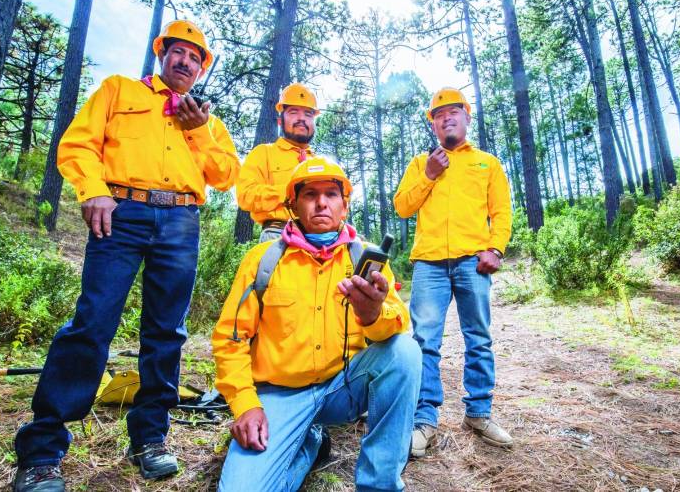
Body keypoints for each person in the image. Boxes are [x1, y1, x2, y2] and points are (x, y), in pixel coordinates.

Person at [13, 20, 239, 491]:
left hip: (180, 220)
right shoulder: (118, 90)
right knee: (92, 322)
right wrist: (93, 191)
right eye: (178, 52)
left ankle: (150, 439)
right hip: (121, 213)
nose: (185, 61)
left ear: (201, 69)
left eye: (195, 58)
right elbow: (78, 144)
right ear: (162, 54)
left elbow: (225, 176)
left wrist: (197, 132)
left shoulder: (207, 120)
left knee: (167, 332)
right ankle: (42, 451)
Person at [213, 158, 421, 491]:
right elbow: (230, 339)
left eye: (331, 194)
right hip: (278, 395)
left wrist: (372, 314)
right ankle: (309, 442)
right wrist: (245, 405)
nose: (321, 202)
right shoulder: (262, 261)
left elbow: (398, 327)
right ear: (292, 204)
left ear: (344, 205)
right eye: (310, 194)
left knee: (405, 352)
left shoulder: (366, 258)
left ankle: (379, 484)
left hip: (343, 387)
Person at [394, 87, 513, 458]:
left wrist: (496, 248)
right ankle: (424, 420)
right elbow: (402, 206)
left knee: (478, 337)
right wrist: (428, 174)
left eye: (453, 112)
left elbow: (502, 212)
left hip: (471, 262)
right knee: (425, 341)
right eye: (439, 114)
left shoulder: (486, 163)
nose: (446, 118)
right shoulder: (420, 163)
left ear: (466, 117)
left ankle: (478, 414)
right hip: (429, 263)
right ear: (433, 124)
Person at [236, 82, 321, 242]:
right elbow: (245, 195)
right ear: (280, 121)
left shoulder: (322, 164)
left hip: (321, 239)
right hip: (278, 235)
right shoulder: (264, 153)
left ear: (313, 123)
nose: (301, 118)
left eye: (308, 114)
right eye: (294, 112)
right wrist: (291, 192)